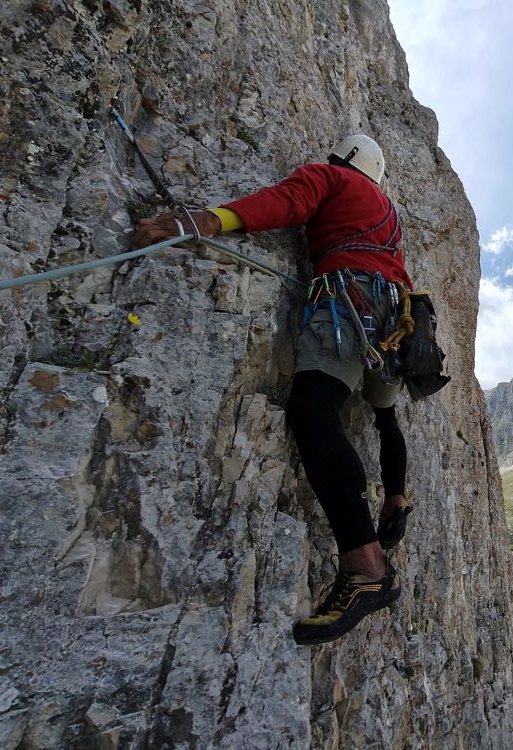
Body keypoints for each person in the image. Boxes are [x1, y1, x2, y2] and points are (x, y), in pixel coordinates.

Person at [131, 135, 413, 645]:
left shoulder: (332, 177)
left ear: (343, 159)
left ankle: (368, 567)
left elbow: (287, 202)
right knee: (384, 418)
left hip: (350, 303)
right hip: (394, 320)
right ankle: (396, 499)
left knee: (313, 409)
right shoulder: (387, 213)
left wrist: (210, 220)